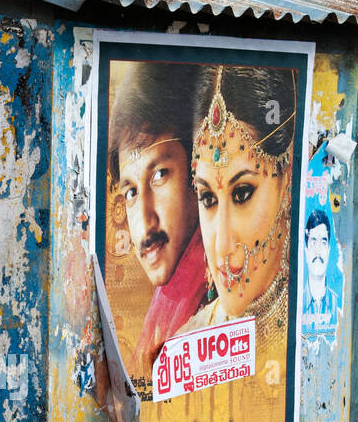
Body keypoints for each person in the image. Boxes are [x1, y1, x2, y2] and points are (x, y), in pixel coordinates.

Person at [176, 64, 296, 345]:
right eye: (207, 198)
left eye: (242, 194)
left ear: (286, 182)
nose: (221, 246)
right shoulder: (186, 347)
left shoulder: (313, 322)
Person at [107, 61, 208, 379]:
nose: (144, 224)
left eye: (160, 174)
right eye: (132, 192)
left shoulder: (223, 298)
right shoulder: (170, 308)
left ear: (198, 169)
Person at [301, 207, 338, 322]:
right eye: (313, 241)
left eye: (323, 242)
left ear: (328, 250)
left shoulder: (338, 305)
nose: (318, 250)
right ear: (306, 251)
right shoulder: (298, 303)